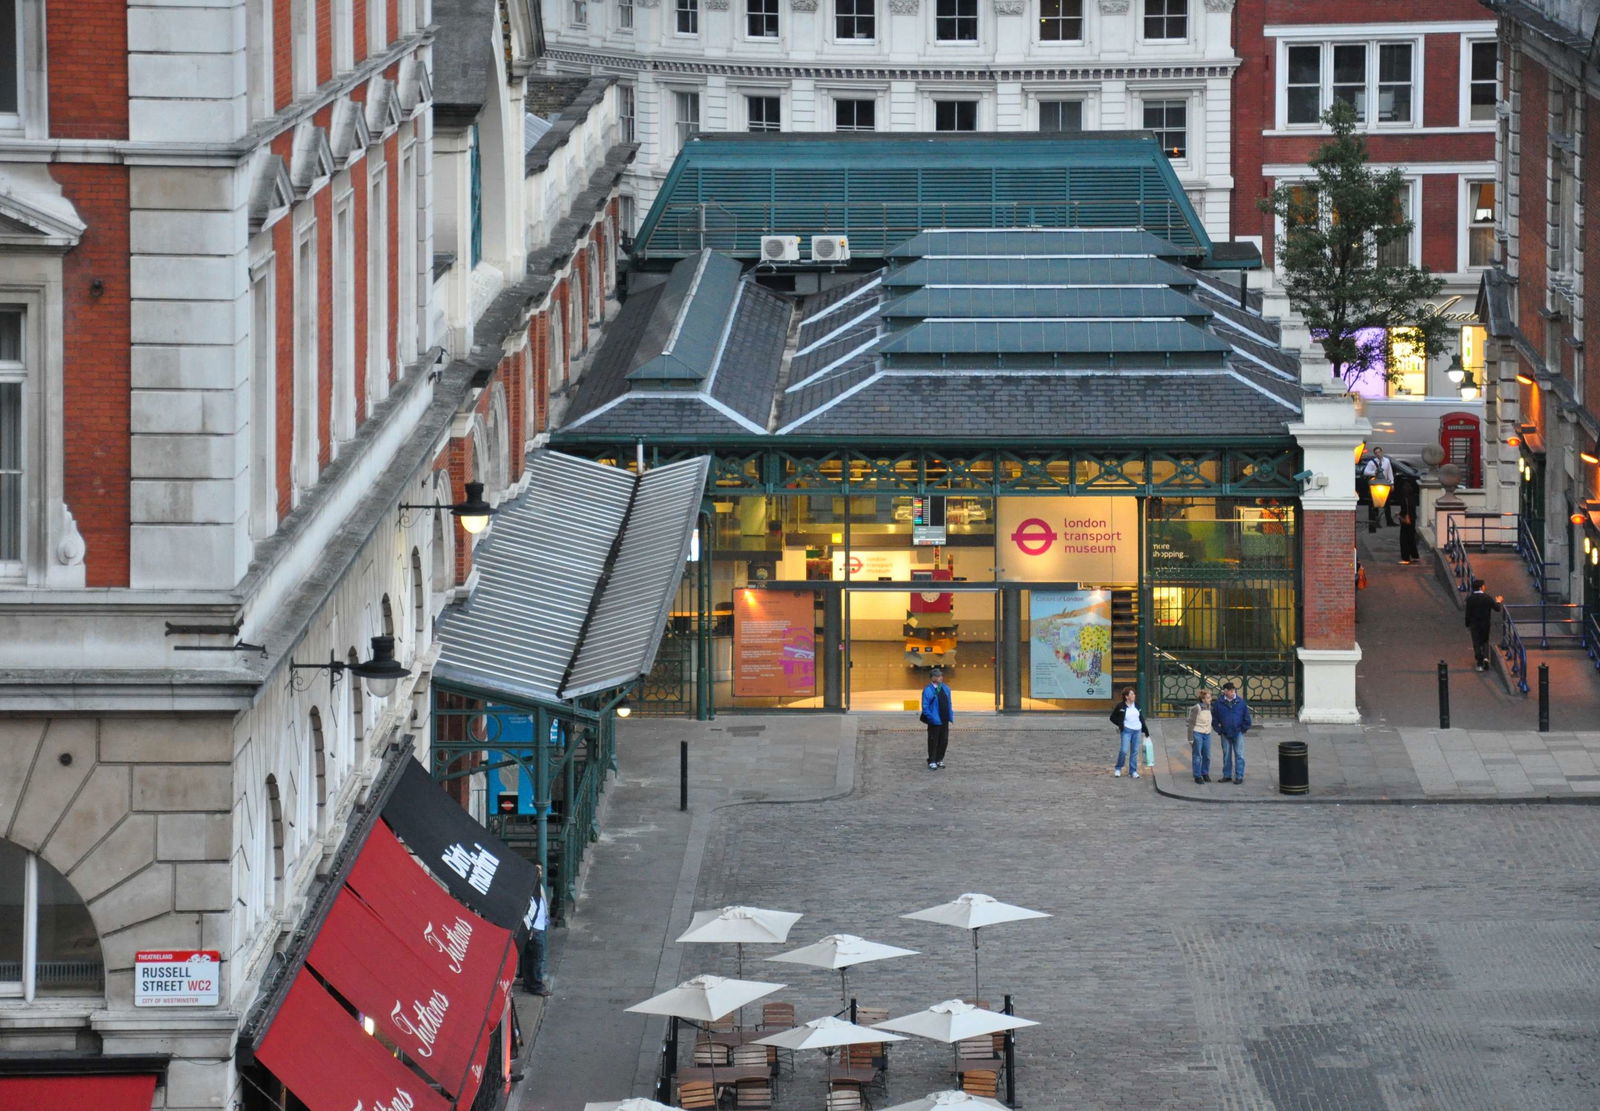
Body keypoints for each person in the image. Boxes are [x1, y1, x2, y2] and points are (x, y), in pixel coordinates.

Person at [1212, 681, 1253, 784]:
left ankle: (1239, 776)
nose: (1231, 692)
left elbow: (1247, 718)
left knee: (1239, 755)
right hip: (1225, 733)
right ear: (1225, 691)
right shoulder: (1218, 703)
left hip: (1237, 732)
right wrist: (1219, 730)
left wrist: (1242, 729)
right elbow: (1214, 719)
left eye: (1232, 690)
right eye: (1229, 691)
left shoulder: (1241, 702)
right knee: (1226, 755)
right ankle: (1227, 775)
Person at [521, 864, 550, 996]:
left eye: (540, 870)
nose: (539, 873)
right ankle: (536, 985)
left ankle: (529, 983)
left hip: (539, 925)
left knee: (531, 957)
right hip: (535, 928)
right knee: (536, 958)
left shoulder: (537, 886)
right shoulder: (529, 887)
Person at [1464, 578, 1504, 672]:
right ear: (1481, 587)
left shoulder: (1470, 599)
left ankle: (1479, 662)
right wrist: (1498, 601)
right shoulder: (1487, 597)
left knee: (1476, 642)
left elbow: (1468, 613)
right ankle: (1486, 657)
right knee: (1485, 641)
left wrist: (1467, 623)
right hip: (1485, 623)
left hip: (1474, 624)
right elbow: (1497, 608)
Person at [1108, 687, 1149, 779]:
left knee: (1134, 751)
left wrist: (1145, 730)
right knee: (1124, 750)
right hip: (1126, 730)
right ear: (1126, 696)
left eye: (1134, 694)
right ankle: (1118, 768)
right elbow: (1112, 717)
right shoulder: (1121, 706)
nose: (1134, 695)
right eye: (1131, 694)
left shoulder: (1137, 706)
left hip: (1137, 730)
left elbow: (1141, 718)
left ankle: (1133, 771)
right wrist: (1121, 724)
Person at [920, 666, 954, 769]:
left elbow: (949, 702)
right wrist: (931, 717)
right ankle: (932, 760)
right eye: (938, 676)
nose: (941, 678)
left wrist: (950, 714)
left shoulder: (946, 688)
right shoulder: (928, 690)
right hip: (934, 720)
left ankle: (939, 759)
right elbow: (925, 706)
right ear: (932, 678)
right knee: (933, 740)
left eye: (941, 676)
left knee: (944, 740)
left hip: (944, 719)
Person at [1361, 447, 1396, 531]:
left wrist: (1391, 483)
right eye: (1376, 453)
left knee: (1387, 503)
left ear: (1382, 452)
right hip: (1376, 485)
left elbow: (1389, 473)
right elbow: (1366, 472)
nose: (1378, 454)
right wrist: (1374, 472)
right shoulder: (1372, 463)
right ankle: (1376, 522)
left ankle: (1389, 521)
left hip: (1385, 485)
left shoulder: (1386, 461)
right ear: (1375, 454)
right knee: (1375, 504)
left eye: (1379, 452)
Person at [1185, 688, 1214, 784]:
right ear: (1203, 699)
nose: (1210, 699)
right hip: (1197, 733)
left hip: (1207, 734)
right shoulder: (1197, 708)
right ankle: (1197, 776)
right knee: (1197, 755)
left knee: (1207, 755)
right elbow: (1191, 724)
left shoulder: (1209, 707)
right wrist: (1190, 738)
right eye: (1208, 698)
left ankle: (1205, 773)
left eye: (1210, 697)